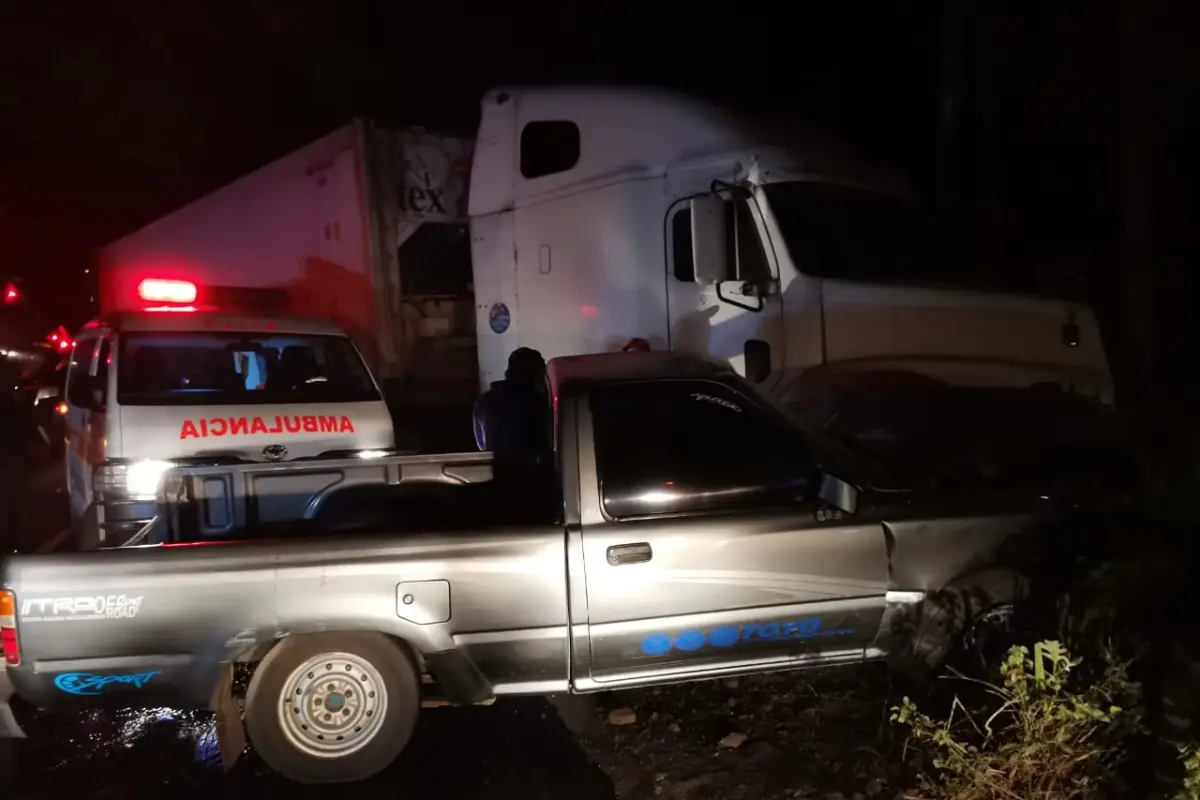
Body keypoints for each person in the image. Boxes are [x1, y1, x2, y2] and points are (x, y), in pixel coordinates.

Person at [472, 347, 551, 456]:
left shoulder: (484, 401)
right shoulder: (539, 403)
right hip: (534, 469)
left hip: (497, 469)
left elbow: (482, 445)